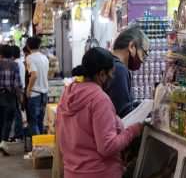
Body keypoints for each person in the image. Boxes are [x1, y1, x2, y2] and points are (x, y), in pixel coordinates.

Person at [57, 47, 143, 178]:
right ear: (102, 74)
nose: (112, 77)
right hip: (99, 172)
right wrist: (133, 130)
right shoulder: (99, 99)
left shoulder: (67, 94)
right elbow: (107, 147)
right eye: (111, 73)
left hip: (72, 172)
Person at [106, 26, 149, 118]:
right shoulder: (119, 69)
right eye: (143, 54)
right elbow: (124, 114)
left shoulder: (109, 63)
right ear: (132, 46)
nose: (142, 60)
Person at [0, 45, 23, 156]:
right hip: (10, 96)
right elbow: (18, 85)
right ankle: (4, 142)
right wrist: (20, 98)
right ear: (12, 54)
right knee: (8, 120)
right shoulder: (15, 65)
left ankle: (1, 142)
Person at [26, 36, 49, 136]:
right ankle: (42, 148)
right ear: (39, 45)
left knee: (33, 122)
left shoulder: (30, 58)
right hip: (44, 93)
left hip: (35, 94)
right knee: (40, 121)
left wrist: (28, 89)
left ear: (27, 46)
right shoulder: (44, 57)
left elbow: (34, 75)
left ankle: (37, 148)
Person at [7, 45, 25, 143]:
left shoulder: (15, 64)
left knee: (17, 113)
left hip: (18, 90)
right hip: (20, 89)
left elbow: (16, 82)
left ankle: (19, 135)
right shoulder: (20, 63)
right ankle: (18, 134)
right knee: (18, 113)